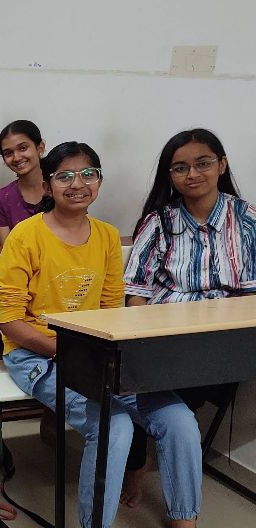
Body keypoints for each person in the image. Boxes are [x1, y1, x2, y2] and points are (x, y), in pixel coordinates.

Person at [0, 142, 201, 528]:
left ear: (99, 181)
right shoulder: (25, 236)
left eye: (88, 174)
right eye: (65, 176)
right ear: (47, 186)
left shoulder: (106, 236)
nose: (78, 184)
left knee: (179, 420)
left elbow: (110, 312)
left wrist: (111, 355)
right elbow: (10, 322)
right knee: (114, 425)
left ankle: (185, 521)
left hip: (97, 352)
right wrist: (70, 352)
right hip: (36, 354)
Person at [119, 128, 255, 508]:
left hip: (224, 338)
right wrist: (141, 341)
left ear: (222, 165)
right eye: (180, 168)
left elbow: (251, 294)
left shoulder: (246, 219)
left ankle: (142, 456)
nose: (192, 174)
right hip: (165, 335)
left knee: (156, 392)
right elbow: (137, 293)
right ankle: (144, 458)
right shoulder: (159, 222)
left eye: (203, 163)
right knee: (146, 382)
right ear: (170, 175)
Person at [0, 120, 47, 244]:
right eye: (8, 153)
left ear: (40, 148)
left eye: (23, 148)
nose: (16, 157)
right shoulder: (2, 199)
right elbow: (8, 249)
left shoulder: (60, 187)